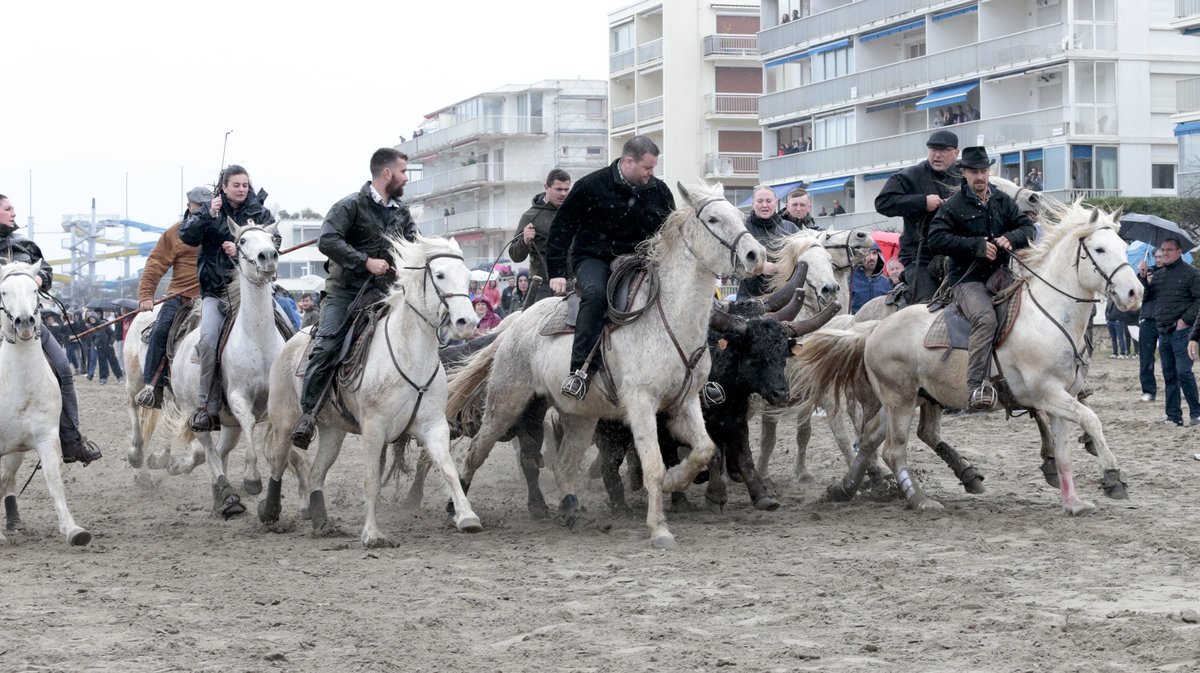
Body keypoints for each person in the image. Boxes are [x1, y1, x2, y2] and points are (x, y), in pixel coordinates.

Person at [290, 148, 417, 449]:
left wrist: (407, 265)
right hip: (344, 292)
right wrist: (365, 262)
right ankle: (308, 414)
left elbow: (413, 244)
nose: (406, 178)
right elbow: (327, 240)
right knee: (327, 344)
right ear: (387, 173)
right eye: (403, 172)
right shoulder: (349, 205)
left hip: (385, 293)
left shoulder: (402, 211)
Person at [546, 135, 675, 400]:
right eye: (647, 167)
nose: (652, 173)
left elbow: (672, 230)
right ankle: (580, 371)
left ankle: (697, 375)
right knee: (595, 295)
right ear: (629, 162)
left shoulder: (659, 190)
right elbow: (561, 228)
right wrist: (557, 272)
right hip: (595, 258)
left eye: (653, 168)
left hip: (643, 259)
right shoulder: (591, 186)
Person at [926, 146, 1037, 410]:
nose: (980, 176)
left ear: (989, 172)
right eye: (974, 172)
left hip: (1002, 276)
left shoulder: (1002, 201)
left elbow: (1028, 228)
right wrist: (975, 246)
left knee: (1033, 309)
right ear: (964, 173)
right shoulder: (953, 206)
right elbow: (936, 239)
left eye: (984, 171)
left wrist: (1011, 237)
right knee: (985, 320)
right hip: (967, 280)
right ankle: (976, 387)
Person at [0, 194, 102, 464]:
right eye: (8, 208)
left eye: (13, 208)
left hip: (30, 325)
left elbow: (46, 270)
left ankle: (72, 442)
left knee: (63, 369)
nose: (13, 213)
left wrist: (39, 278)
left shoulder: (25, 244)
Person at [179, 165, 276, 432]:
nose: (242, 189)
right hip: (217, 291)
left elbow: (273, 240)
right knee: (208, 341)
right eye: (236, 185)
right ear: (224, 187)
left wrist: (242, 247)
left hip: (256, 291)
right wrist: (206, 214)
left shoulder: (260, 212)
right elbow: (187, 236)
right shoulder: (210, 211)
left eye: (245, 185)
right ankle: (206, 407)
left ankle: (295, 399)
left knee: (292, 332)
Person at [134, 186, 206, 408]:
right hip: (181, 295)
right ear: (189, 206)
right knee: (161, 330)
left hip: (216, 294)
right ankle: (152, 387)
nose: (202, 209)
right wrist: (146, 295)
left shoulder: (219, 228)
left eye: (206, 205)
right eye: (199, 206)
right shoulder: (175, 232)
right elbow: (156, 263)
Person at [875, 129, 960, 304]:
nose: (937, 155)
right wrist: (922, 202)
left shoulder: (964, 175)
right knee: (926, 307)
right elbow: (883, 202)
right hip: (920, 258)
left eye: (943, 150)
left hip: (958, 255)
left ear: (956, 153)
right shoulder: (910, 175)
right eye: (933, 149)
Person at [1148, 237, 1200, 426]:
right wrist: (1143, 278)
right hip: (1164, 331)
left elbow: (1199, 300)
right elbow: (1147, 298)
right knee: (1169, 375)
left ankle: (1196, 413)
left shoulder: (1192, 273)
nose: (1165, 253)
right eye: (1163, 249)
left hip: (1183, 332)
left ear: (1179, 252)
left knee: (1184, 372)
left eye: (1169, 250)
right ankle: (1173, 416)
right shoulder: (1158, 276)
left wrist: (1185, 320)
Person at [511, 169, 571, 305]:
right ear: (546, 187)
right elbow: (515, 255)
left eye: (566, 189)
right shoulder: (531, 216)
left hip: (573, 283)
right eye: (558, 189)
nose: (563, 194)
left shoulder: (575, 211)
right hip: (543, 286)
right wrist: (525, 241)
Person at [740, 185, 799, 298]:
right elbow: (732, 264)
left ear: (775, 203)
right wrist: (759, 268)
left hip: (784, 297)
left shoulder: (791, 229)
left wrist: (783, 268)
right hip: (749, 297)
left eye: (768, 201)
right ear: (753, 204)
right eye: (760, 201)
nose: (764, 205)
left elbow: (802, 261)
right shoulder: (742, 230)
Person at [1137, 249, 1162, 402]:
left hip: (1166, 320)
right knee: (1146, 358)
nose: (1159, 259)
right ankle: (1148, 391)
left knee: (1171, 358)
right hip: (1147, 319)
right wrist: (1143, 278)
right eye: (1156, 256)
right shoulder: (1146, 273)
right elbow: (1141, 295)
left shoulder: (1171, 273)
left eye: (1161, 256)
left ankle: (1179, 386)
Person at [850, 244, 891, 313]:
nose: (871, 257)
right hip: (854, 319)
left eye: (874, 253)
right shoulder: (850, 280)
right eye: (867, 253)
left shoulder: (886, 282)